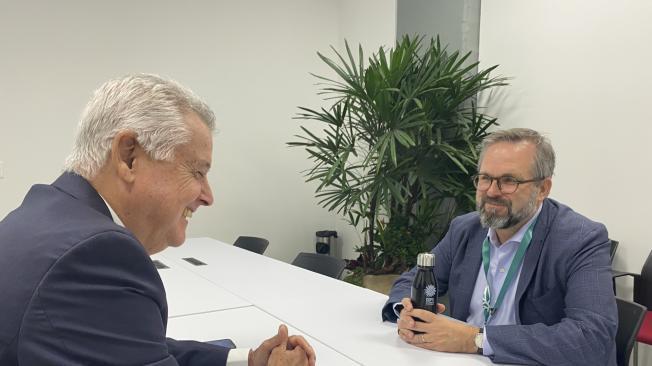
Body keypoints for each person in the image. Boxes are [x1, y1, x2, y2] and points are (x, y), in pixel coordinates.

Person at [0, 74, 316, 366]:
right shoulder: (95, 255)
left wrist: (244, 360)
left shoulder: (46, 215)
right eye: (197, 172)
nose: (208, 196)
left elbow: (128, 345)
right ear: (128, 157)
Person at [382, 128, 617, 365]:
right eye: (485, 178)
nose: (492, 192)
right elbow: (411, 281)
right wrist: (408, 313)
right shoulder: (465, 229)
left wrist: (476, 339)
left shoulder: (581, 239)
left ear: (542, 189)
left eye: (508, 181)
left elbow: (592, 337)